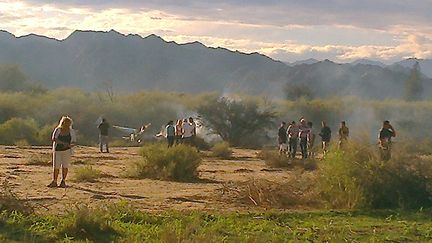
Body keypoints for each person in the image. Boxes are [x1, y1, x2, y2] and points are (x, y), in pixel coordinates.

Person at [47, 116, 76, 188]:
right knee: (56, 166)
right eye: (66, 123)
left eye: (68, 123)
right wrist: (63, 143)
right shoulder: (58, 130)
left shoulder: (71, 131)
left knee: (65, 166)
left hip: (67, 151)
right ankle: (54, 181)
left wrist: (69, 145)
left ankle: (63, 181)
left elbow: (74, 142)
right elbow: (54, 138)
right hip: (57, 150)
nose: (67, 125)